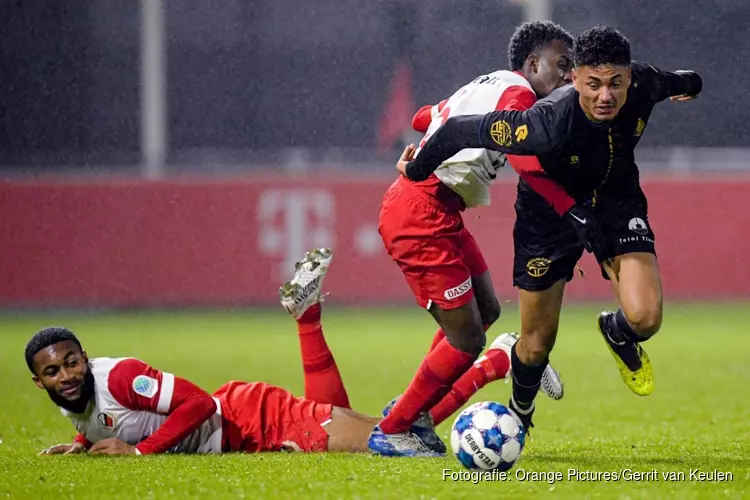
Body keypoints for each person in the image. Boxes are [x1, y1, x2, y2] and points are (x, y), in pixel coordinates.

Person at [398, 25, 702, 432]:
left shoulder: (646, 82)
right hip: (546, 218)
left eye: (615, 83)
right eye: (593, 84)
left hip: (616, 202)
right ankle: (521, 407)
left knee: (646, 318)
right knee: (537, 342)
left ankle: (616, 331)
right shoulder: (543, 121)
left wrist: (691, 83)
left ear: (630, 75)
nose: (605, 95)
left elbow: (681, 80)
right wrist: (418, 169)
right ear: (575, 79)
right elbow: (456, 130)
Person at [31, 249, 519, 457]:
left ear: (85, 355)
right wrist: (83, 444)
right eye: (53, 372)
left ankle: (492, 360)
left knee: (399, 439)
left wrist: (138, 455)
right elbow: (114, 420)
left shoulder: (116, 377)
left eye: (71, 362)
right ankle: (492, 359)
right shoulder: (74, 398)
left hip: (254, 421)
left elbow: (198, 405)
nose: (66, 375)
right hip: (251, 419)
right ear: (40, 382)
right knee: (391, 428)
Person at [371, 21, 576, 456]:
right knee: (467, 340)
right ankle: (394, 427)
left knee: (485, 310)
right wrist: (573, 210)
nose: (567, 76)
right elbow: (526, 164)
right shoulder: (519, 95)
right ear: (532, 63)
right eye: (561, 66)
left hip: (438, 211)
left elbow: (420, 116)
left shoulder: (488, 85)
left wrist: (428, 133)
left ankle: (416, 411)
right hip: (419, 214)